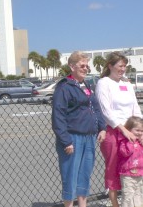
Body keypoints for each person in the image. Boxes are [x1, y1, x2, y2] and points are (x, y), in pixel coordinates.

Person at [52, 51, 107, 207]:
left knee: (84, 175)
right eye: (81, 65)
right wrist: (66, 141)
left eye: (86, 65)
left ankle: (83, 204)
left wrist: (102, 128)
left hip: (89, 138)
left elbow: (96, 108)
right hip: (72, 138)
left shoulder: (86, 85)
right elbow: (58, 116)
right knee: (70, 176)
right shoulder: (64, 87)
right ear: (72, 66)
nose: (85, 68)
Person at [96, 51, 142, 207]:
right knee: (113, 168)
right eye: (120, 66)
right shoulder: (103, 83)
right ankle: (115, 203)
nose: (123, 69)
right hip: (114, 131)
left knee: (133, 167)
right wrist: (123, 130)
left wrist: (140, 129)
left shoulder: (127, 84)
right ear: (110, 66)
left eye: (125, 66)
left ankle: (133, 201)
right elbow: (106, 110)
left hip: (132, 132)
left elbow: (135, 107)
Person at [117, 116, 143, 207]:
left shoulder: (141, 142)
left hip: (140, 173)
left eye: (142, 131)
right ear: (129, 130)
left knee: (138, 193)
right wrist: (131, 142)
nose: (140, 133)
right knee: (128, 195)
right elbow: (125, 153)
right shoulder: (124, 141)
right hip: (127, 174)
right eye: (137, 130)